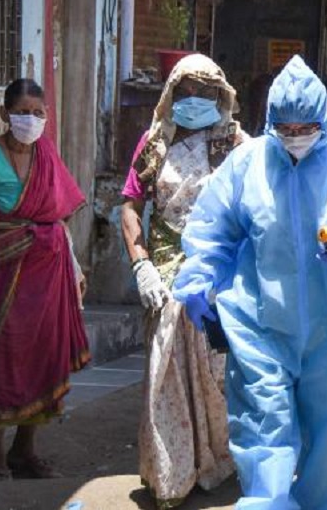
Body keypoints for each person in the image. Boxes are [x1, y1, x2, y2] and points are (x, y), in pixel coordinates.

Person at [171, 55, 327, 509]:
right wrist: (200, 280)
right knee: (265, 429)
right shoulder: (247, 166)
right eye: (287, 129)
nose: (296, 138)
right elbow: (213, 231)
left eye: (306, 129)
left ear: (323, 121)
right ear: (271, 124)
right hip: (261, 323)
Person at [120, 54, 241, 508]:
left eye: (204, 92)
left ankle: (216, 461)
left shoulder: (235, 145)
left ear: (220, 96)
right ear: (172, 95)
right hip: (166, 271)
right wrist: (140, 265)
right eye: (185, 91)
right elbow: (130, 207)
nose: (194, 100)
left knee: (217, 372)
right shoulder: (153, 144)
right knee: (164, 367)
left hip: (217, 273)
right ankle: (172, 471)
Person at [0, 78, 90, 480]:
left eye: (39, 114)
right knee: (2, 357)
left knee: (44, 356)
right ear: (4, 114)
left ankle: (26, 450)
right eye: (22, 112)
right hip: (3, 273)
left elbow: (59, 212)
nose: (31, 120)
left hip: (49, 274)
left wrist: (72, 264)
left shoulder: (46, 154)